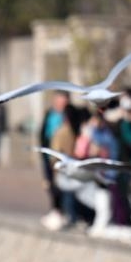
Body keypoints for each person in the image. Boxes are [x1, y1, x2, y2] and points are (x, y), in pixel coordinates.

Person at [38, 92, 82, 230]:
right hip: (49, 155)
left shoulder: (70, 115)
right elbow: (43, 134)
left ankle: (67, 214)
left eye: (64, 100)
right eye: (59, 99)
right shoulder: (49, 114)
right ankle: (56, 211)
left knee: (65, 187)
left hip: (63, 157)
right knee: (52, 185)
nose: (61, 103)